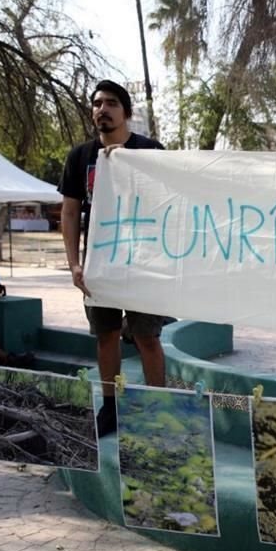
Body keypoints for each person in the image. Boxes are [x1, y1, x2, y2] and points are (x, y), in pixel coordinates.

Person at [59, 79, 167, 437]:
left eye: (111, 103)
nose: (102, 109)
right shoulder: (80, 157)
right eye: (97, 103)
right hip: (100, 265)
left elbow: (172, 205)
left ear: (126, 112)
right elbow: (71, 213)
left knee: (146, 337)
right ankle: (111, 406)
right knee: (105, 336)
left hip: (143, 265)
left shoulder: (149, 151)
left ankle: (157, 407)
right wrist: (75, 262)